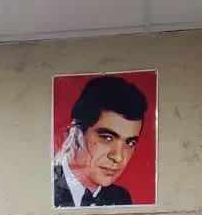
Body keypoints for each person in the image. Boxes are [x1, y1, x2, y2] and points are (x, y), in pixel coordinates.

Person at [53, 75, 149, 207]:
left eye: (130, 142)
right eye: (107, 138)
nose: (119, 157)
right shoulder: (41, 187)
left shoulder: (121, 198)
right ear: (75, 134)